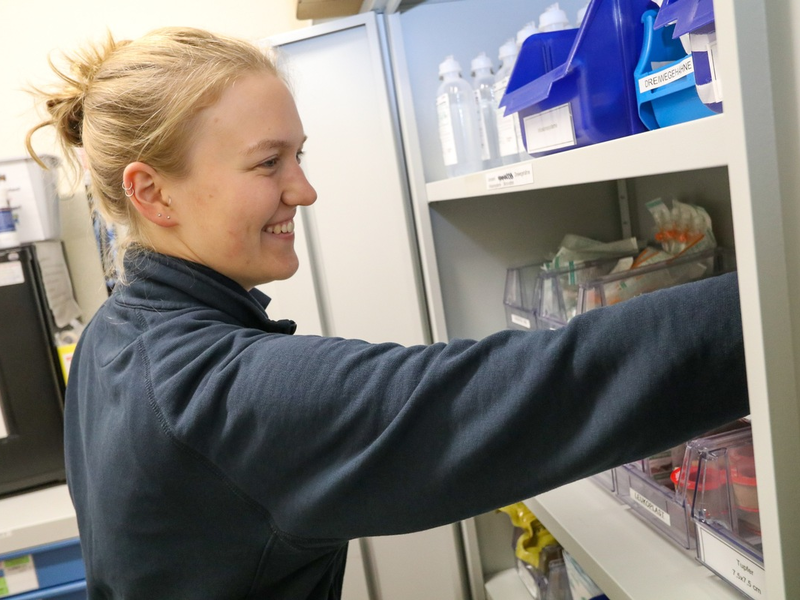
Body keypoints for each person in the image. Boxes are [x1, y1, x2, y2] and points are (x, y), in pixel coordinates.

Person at [27, 27, 748, 599]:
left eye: (299, 156)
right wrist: (768, 304)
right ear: (153, 193)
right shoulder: (218, 393)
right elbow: (533, 391)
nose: (304, 190)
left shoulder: (110, 338)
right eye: (268, 162)